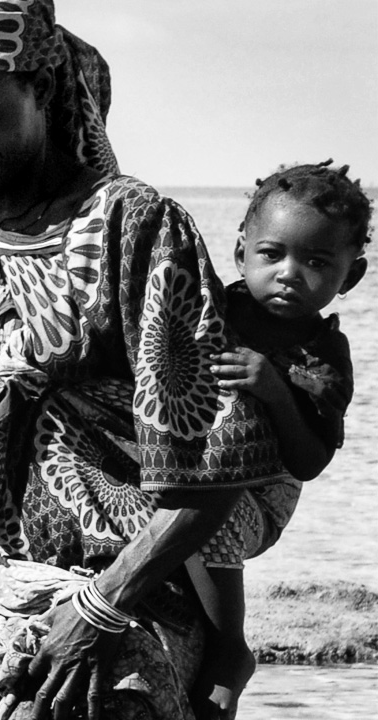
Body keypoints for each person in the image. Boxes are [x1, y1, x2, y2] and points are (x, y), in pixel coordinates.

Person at [0, 2, 290, 718]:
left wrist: (102, 605)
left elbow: (208, 465)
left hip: (137, 609)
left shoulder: (131, 227)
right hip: (12, 618)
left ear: (42, 94)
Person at [188, 160, 370, 718]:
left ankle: (230, 652)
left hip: (262, 495)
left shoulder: (323, 356)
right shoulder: (215, 309)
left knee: (201, 517)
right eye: (273, 254)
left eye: (317, 262)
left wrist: (274, 389)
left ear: (352, 276)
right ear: (241, 251)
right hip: (195, 469)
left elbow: (311, 461)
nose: (290, 273)